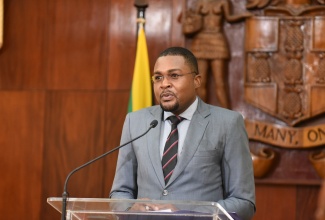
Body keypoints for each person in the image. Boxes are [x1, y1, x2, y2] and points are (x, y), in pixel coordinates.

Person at [109, 47, 256, 220]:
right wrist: (131, 208)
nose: (164, 84)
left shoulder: (228, 123)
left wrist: (185, 214)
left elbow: (243, 203)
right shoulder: (136, 122)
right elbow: (120, 192)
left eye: (174, 76)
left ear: (196, 81)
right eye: (158, 77)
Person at [182, 0, 252, 108]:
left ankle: (228, 116)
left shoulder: (223, 2)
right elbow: (192, 21)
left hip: (217, 40)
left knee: (220, 83)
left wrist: (243, 15)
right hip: (201, 41)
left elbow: (229, 17)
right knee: (201, 82)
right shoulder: (199, 2)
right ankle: (202, 115)